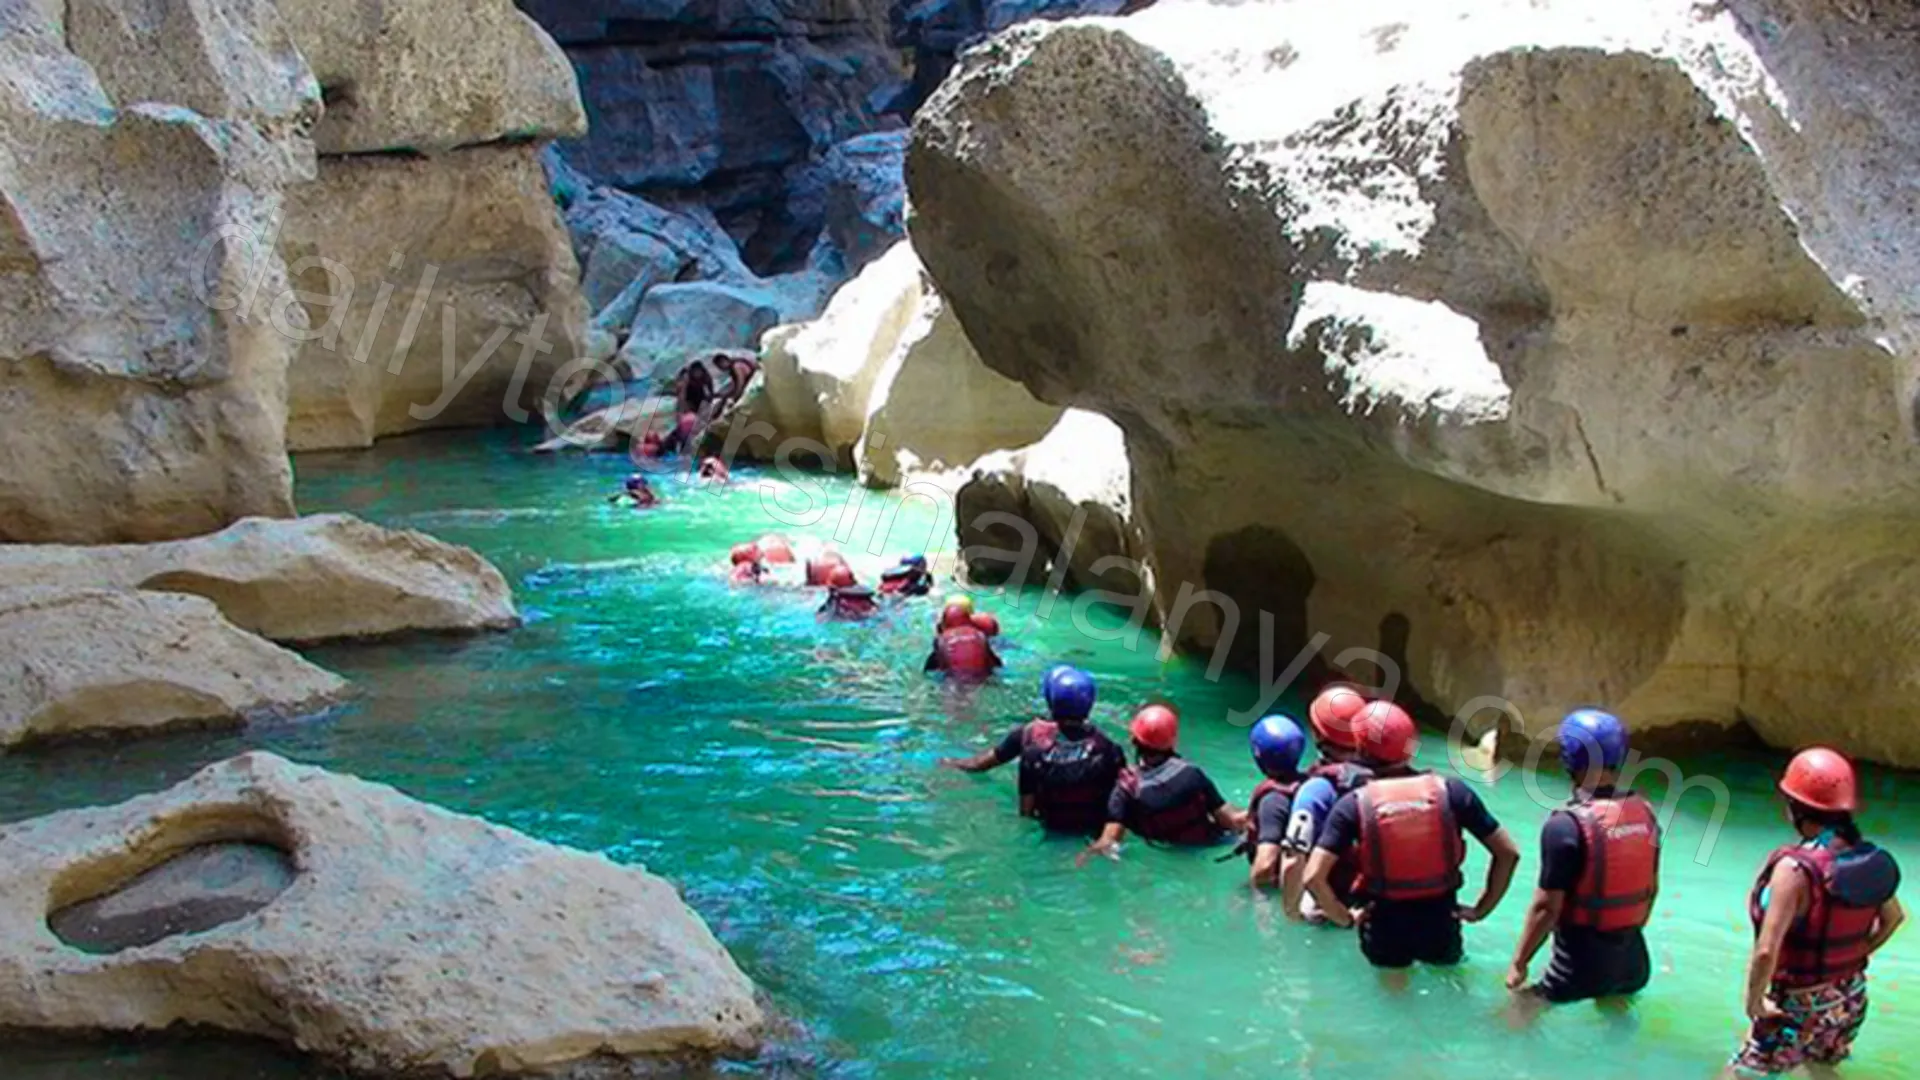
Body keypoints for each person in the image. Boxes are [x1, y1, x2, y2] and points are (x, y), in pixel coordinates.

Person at [1305, 702, 1520, 971]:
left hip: (1383, 927)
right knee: (1447, 980)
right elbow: (1508, 853)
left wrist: (1344, 918)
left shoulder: (1354, 804)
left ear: (1359, 748)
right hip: (1441, 923)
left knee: (1393, 987)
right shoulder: (1453, 792)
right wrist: (1481, 909)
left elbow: (1313, 876)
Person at [1728, 747, 1904, 1077]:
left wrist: (1754, 1002)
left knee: (1740, 1074)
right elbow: (1894, 918)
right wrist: (1852, 956)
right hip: (1850, 997)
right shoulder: (1863, 859)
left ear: (1795, 807)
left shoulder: (1794, 870)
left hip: (1798, 1004)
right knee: (1819, 1071)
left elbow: (1766, 951)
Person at [1507, 709, 1661, 1012]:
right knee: (1615, 1018)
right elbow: (1651, 890)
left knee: (1514, 1013)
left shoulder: (1565, 826)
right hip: (1634, 963)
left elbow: (1546, 908)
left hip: (1578, 969)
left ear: (1569, 758)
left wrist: (1519, 964)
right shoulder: (1645, 813)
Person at [942, 667, 1126, 836]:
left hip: (1048, 827)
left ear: (1051, 703)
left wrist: (953, 763)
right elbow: (1121, 802)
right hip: (1093, 829)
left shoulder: (1028, 736)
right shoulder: (1109, 748)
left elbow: (980, 765)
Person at [1086, 705, 1246, 856]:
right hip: (1208, 844)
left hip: (1166, 852)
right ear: (1173, 740)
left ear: (1134, 740)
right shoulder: (1192, 773)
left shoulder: (1126, 788)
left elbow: (1109, 842)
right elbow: (1229, 820)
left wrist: (1085, 854)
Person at [1280, 684, 1376, 920]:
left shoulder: (1316, 790)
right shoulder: (1386, 780)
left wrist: (1291, 914)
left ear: (1317, 734)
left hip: (1330, 907)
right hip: (1378, 904)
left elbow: (1293, 860)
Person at [1242, 714, 1310, 892]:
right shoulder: (1310, 785)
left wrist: (1251, 894)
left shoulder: (1272, 801)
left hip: (1280, 888)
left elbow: (1266, 864)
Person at [925, 602, 1003, 677]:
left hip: (954, 679)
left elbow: (935, 666)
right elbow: (994, 662)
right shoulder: (980, 634)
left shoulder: (941, 639)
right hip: (983, 676)